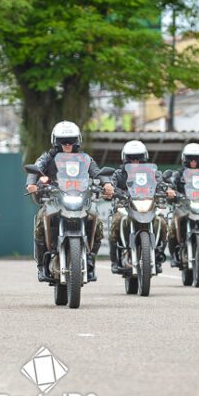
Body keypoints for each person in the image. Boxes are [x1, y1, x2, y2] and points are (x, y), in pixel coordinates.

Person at [25, 120, 114, 282]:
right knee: (41, 221)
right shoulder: (47, 157)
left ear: (77, 140)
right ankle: (42, 266)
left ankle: (90, 260)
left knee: (97, 222)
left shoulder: (85, 158)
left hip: (80, 198)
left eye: (71, 140)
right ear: (55, 141)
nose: (67, 144)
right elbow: (36, 168)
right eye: (63, 141)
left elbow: (96, 171)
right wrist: (31, 183)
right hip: (54, 198)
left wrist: (106, 183)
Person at [109, 140, 168, 274]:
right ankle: (115, 260)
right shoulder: (119, 174)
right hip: (125, 207)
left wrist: (166, 189)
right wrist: (111, 190)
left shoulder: (153, 173)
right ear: (125, 159)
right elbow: (112, 185)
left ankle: (158, 256)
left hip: (148, 205)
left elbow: (161, 184)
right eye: (131, 158)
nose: (135, 162)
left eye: (138, 158)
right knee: (116, 221)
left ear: (144, 158)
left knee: (162, 222)